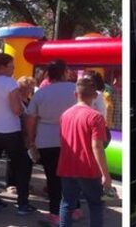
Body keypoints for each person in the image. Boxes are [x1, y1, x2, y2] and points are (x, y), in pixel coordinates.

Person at [0, 53, 35, 215]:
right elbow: (16, 109)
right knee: (21, 166)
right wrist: (24, 110)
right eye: (11, 66)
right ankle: (23, 204)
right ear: (3, 67)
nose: (13, 69)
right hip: (11, 130)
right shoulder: (10, 83)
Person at [26, 60, 77, 225]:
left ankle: (55, 213)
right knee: (71, 175)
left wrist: (31, 138)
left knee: (53, 177)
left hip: (46, 140)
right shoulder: (75, 90)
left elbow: (31, 119)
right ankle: (75, 209)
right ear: (64, 72)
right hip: (72, 138)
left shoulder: (41, 93)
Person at [57, 76, 112, 227]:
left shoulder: (65, 115)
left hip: (67, 166)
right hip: (89, 169)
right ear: (95, 95)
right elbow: (97, 147)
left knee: (67, 203)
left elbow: (63, 142)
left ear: (75, 94)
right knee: (96, 205)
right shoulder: (96, 117)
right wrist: (105, 175)